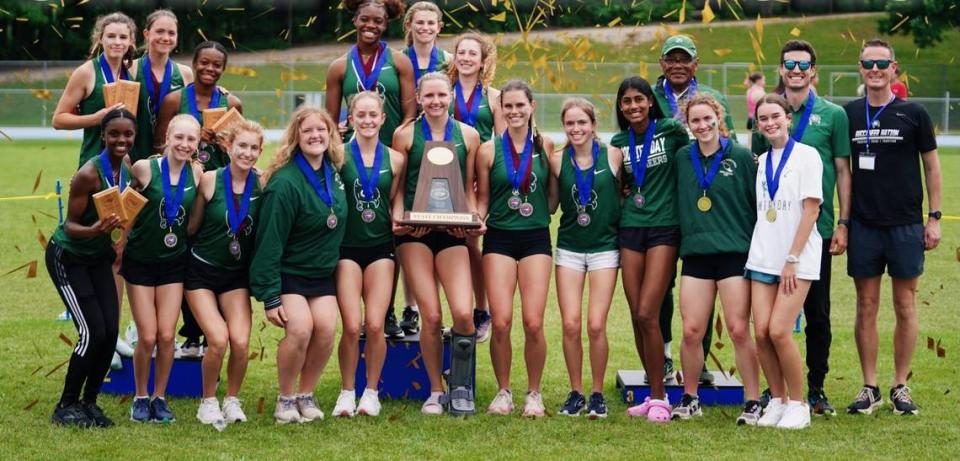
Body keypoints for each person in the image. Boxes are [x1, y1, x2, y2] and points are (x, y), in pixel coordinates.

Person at [751, 39, 851, 416]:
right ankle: (776, 392)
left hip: (817, 230)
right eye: (789, 64)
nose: (795, 70)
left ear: (813, 71)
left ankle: (815, 387)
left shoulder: (832, 115)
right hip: (774, 234)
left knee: (817, 314)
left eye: (803, 64)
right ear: (781, 69)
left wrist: (843, 222)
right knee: (772, 321)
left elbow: (842, 171)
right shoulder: (766, 113)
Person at [844, 39, 941, 416]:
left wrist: (934, 217)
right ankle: (870, 387)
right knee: (865, 305)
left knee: (905, 304)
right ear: (860, 67)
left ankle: (900, 385)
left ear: (894, 67)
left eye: (881, 63)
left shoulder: (914, 113)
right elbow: (843, 172)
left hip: (905, 226)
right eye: (868, 62)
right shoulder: (849, 114)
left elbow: (932, 167)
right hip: (865, 225)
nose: (875, 69)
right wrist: (844, 222)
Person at [250, 106, 348, 424]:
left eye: (321, 129)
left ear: (330, 134)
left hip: (321, 274)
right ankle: (286, 398)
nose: (315, 136)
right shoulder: (284, 183)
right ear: (295, 137)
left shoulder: (334, 171)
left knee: (326, 330)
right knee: (301, 329)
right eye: (307, 131)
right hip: (289, 273)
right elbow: (268, 242)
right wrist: (271, 295)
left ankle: (306, 394)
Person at [393, 72, 482, 416]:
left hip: (453, 233)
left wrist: (472, 219)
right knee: (430, 315)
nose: (435, 101)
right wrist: (401, 217)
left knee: (463, 312)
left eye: (441, 95)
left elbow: (471, 186)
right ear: (418, 97)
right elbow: (398, 187)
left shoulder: (469, 135)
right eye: (428, 95)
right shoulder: (405, 135)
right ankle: (435, 390)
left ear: (451, 96)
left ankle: (462, 386)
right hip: (416, 234)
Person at [670, 94, 761, 425]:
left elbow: (756, 203)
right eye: (695, 120)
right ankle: (690, 397)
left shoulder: (740, 155)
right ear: (688, 124)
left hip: (734, 253)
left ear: (718, 118)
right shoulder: (682, 157)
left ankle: (753, 400)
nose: (702, 125)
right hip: (696, 254)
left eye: (708, 118)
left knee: (738, 330)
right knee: (692, 330)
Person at [653, 34, 735, 384]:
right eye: (670, 59)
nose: (677, 65)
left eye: (683, 59)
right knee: (660, 286)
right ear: (662, 64)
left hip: (703, 203)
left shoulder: (712, 100)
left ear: (695, 64)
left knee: (703, 278)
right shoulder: (650, 95)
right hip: (660, 202)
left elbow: (728, 142)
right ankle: (666, 355)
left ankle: (697, 360)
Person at [46, 109, 135, 428]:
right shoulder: (88, 174)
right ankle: (66, 404)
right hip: (68, 257)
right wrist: (98, 229)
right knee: (91, 332)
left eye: (127, 134)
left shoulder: (124, 166)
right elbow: (69, 226)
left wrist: (118, 242)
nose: (121, 140)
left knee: (110, 332)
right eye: (114, 134)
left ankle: (90, 402)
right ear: (103, 136)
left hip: (98, 257)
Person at [155, 40, 243, 359]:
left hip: (217, 192)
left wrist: (222, 144)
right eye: (204, 62)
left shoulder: (231, 102)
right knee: (184, 259)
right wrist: (190, 145)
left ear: (224, 68)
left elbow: (240, 152)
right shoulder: (175, 100)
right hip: (181, 188)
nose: (209, 69)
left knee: (212, 258)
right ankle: (191, 334)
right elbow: (157, 145)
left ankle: (212, 333)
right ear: (193, 62)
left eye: (216, 64)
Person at [608, 77, 689, 423]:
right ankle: (652, 394)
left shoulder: (671, 130)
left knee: (647, 313)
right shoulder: (616, 141)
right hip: (630, 228)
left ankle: (660, 396)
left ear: (650, 101)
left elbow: (689, 166)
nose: (633, 106)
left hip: (664, 228)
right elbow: (618, 184)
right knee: (634, 314)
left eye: (639, 99)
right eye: (626, 101)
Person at [476, 80, 554, 417]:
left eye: (520, 105)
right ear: (501, 109)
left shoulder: (547, 146)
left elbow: (552, 200)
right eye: (508, 106)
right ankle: (504, 391)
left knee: (534, 322)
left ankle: (533, 393)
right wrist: (475, 219)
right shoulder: (488, 150)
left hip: (536, 237)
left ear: (532, 106)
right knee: (503, 321)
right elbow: (480, 199)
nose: (514, 111)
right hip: (499, 238)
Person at [747, 94, 823, 430]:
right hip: (763, 255)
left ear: (788, 118)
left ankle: (799, 403)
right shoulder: (762, 160)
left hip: (796, 258)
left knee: (780, 330)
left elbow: (811, 210)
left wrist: (792, 258)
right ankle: (777, 401)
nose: (770, 122)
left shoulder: (808, 156)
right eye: (763, 118)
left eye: (775, 116)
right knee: (761, 332)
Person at [122, 114, 204, 423]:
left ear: (198, 143)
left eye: (191, 139)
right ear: (167, 136)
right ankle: (140, 396)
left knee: (167, 336)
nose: (184, 144)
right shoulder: (145, 168)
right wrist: (118, 247)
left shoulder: (197, 174)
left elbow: (194, 223)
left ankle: (160, 396)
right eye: (179, 137)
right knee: (148, 336)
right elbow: (127, 212)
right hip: (140, 262)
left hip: (174, 263)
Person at [185, 120, 265, 426]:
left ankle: (231, 399)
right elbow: (191, 226)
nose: (246, 152)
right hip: (201, 272)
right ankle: (207, 401)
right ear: (228, 147)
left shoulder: (261, 184)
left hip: (236, 276)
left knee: (241, 342)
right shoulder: (208, 180)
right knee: (217, 340)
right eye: (241, 146)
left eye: (253, 148)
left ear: (260, 151)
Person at [332, 92, 406, 418]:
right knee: (351, 326)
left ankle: (371, 392)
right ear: (350, 119)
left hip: (380, 249)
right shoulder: (337, 155)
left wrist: (400, 217)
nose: (367, 120)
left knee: (375, 325)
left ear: (382, 118)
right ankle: (347, 392)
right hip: (346, 248)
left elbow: (396, 199)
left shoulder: (396, 159)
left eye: (372, 115)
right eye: (360, 115)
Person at [549, 98, 623, 420]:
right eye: (570, 124)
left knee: (595, 325)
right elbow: (550, 204)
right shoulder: (556, 160)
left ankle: (597, 393)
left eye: (582, 123)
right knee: (570, 323)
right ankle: (576, 392)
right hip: (569, 248)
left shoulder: (614, 155)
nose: (576, 129)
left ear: (593, 124)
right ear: (564, 127)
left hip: (606, 247)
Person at [448, 31, 507, 342]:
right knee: (449, 244)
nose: (467, 58)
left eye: (473, 53)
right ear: (455, 57)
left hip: (479, 178)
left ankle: (481, 309)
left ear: (484, 61)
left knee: (472, 244)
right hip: (448, 176)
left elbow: (502, 141)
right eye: (462, 52)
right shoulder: (443, 91)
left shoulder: (493, 97)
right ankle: (458, 310)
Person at [325, 0, 416, 148]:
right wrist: (341, 148)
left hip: (391, 149)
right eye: (364, 19)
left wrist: (398, 146)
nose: (371, 25)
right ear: (355, 21)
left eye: (378, 21)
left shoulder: (401, 62)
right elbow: (330, 121)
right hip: (352, 149)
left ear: (385, 24)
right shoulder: (338, 67)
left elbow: (410, 116)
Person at [53, 12, 137, 167]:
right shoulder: (86, 72)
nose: (117, 42)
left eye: (123, 37)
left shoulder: (130, 73)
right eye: (111, 36)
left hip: (124, 166)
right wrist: (96, 119)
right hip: (93, 166)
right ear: (100, 38)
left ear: (131, 41)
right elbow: (58, 120)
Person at [130, 9, 192, 162]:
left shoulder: (185, 73)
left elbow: (191, 116)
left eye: (171, 33)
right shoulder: (130, 69)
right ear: (146, 33)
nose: (165, 38)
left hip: (170, 159)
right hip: (133, 154)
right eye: (160, 31)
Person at [402, 1, 451, 86]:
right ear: (408, 25)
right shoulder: (398, 60)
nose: (425, 28)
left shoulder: (449, 60)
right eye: (420, 22)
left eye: (431, 23)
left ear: (439, 27)